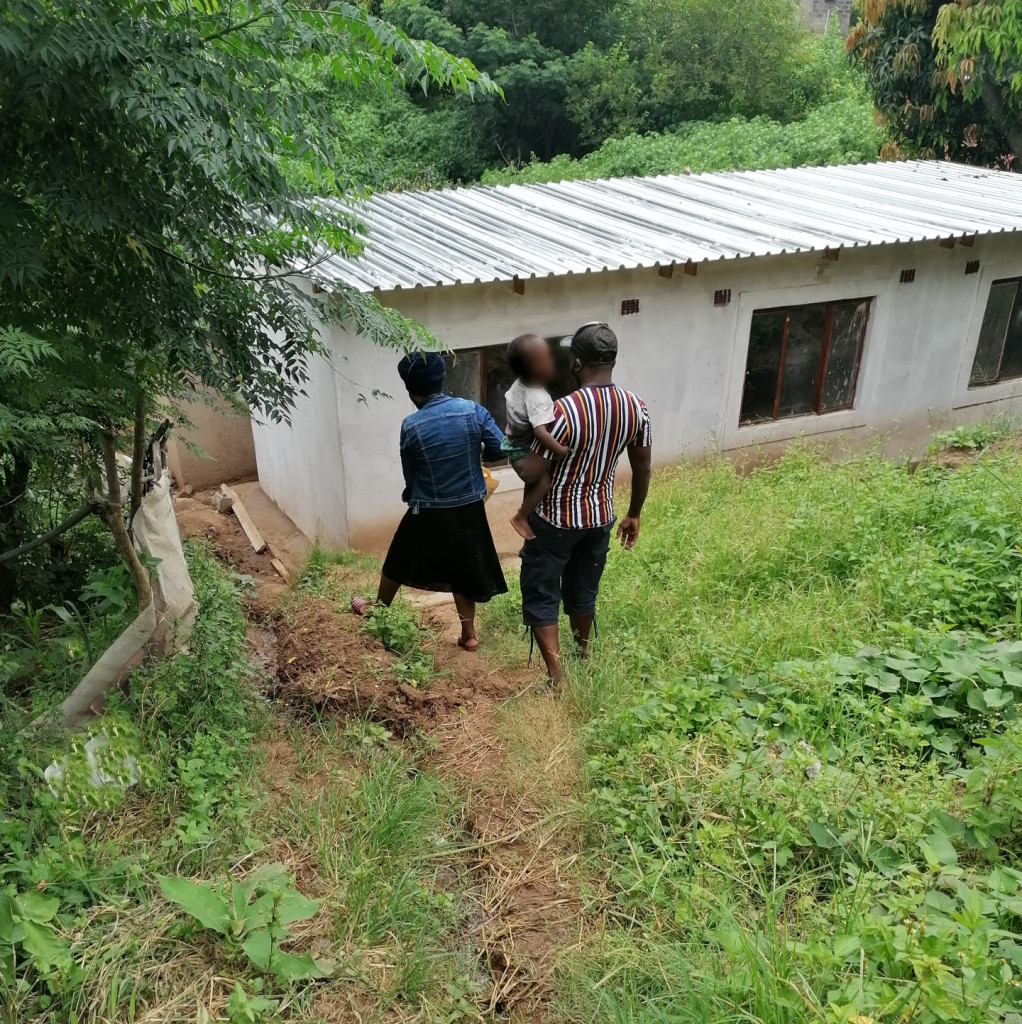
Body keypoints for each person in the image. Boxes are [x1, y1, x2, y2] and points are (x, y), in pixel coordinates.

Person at [519, 322, 652, 686]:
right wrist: (634, 513)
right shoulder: (636, 407)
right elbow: (642, 467)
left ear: (577, 362)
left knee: (541, 590)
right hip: (600, 516)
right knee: (584, 587)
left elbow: (535, 471)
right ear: (611, 361)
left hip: (555, 520)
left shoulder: (561, 412)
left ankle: (557, 679)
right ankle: (582, 653)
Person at [353, 351, 508, 651]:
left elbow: (410, 475)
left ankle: (378, 611)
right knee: (462, 566)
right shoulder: (472, 411)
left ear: (410, 390)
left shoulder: (411, 425)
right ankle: (469, 635)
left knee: (398, 558)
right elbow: (499, 448)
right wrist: (477, 458)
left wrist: (412, 496)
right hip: (469, 509)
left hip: (429, 509)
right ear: (441, 381)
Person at [502, 333, 571, 542]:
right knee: (544, 484)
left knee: (534, 485)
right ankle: (521, 516)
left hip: (512, 444)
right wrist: (560, 450)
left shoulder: (520, 384)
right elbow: (541, 433)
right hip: (524, 450)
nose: (552, 361)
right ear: (535, 368)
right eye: (547, 358)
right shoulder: (538, 398)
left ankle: (526, 512)